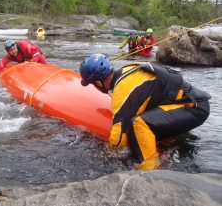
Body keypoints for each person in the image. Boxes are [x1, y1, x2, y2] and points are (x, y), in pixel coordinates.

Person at [79, 53, 210, 170]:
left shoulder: (122, 91)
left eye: (92, 84)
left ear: (98, 82)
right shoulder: (127, 71)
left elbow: (119, 139)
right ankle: (167, 149)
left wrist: (106, 152)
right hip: (188, 104)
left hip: (194, 108)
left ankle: (150, 170)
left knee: (138, 124)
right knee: (137, 124)